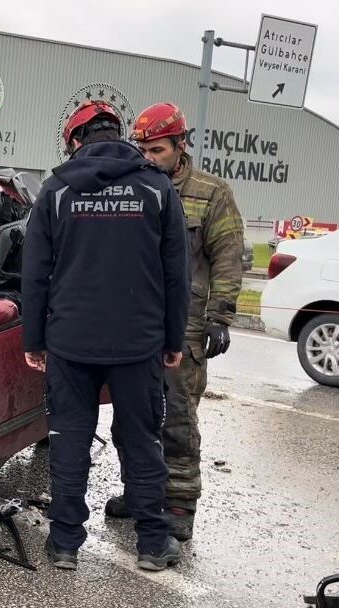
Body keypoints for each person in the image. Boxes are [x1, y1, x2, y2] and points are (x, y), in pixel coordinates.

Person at [22, 100, 189, 572]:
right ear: (119, 135)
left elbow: (34, 274)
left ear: (75, 141)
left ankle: (63, 544)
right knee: (140, 439)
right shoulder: (157, 188)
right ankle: (154, 543)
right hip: (139, 343)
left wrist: (34, 341)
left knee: (70, 438)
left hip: (71, 342)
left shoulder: (55, 190)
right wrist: (173, 339)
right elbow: (177, 276)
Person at [103, 103, 245, 542]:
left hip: (185, 322)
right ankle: (140, 490)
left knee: (176, 417)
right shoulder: (132, 185)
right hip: (134, 321)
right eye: (141, 149)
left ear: (181, 145)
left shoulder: (210, 193)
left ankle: (180, 501)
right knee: (130, 416)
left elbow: (229, 256)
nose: (148, 157)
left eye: (158, 150)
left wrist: (220, 316)